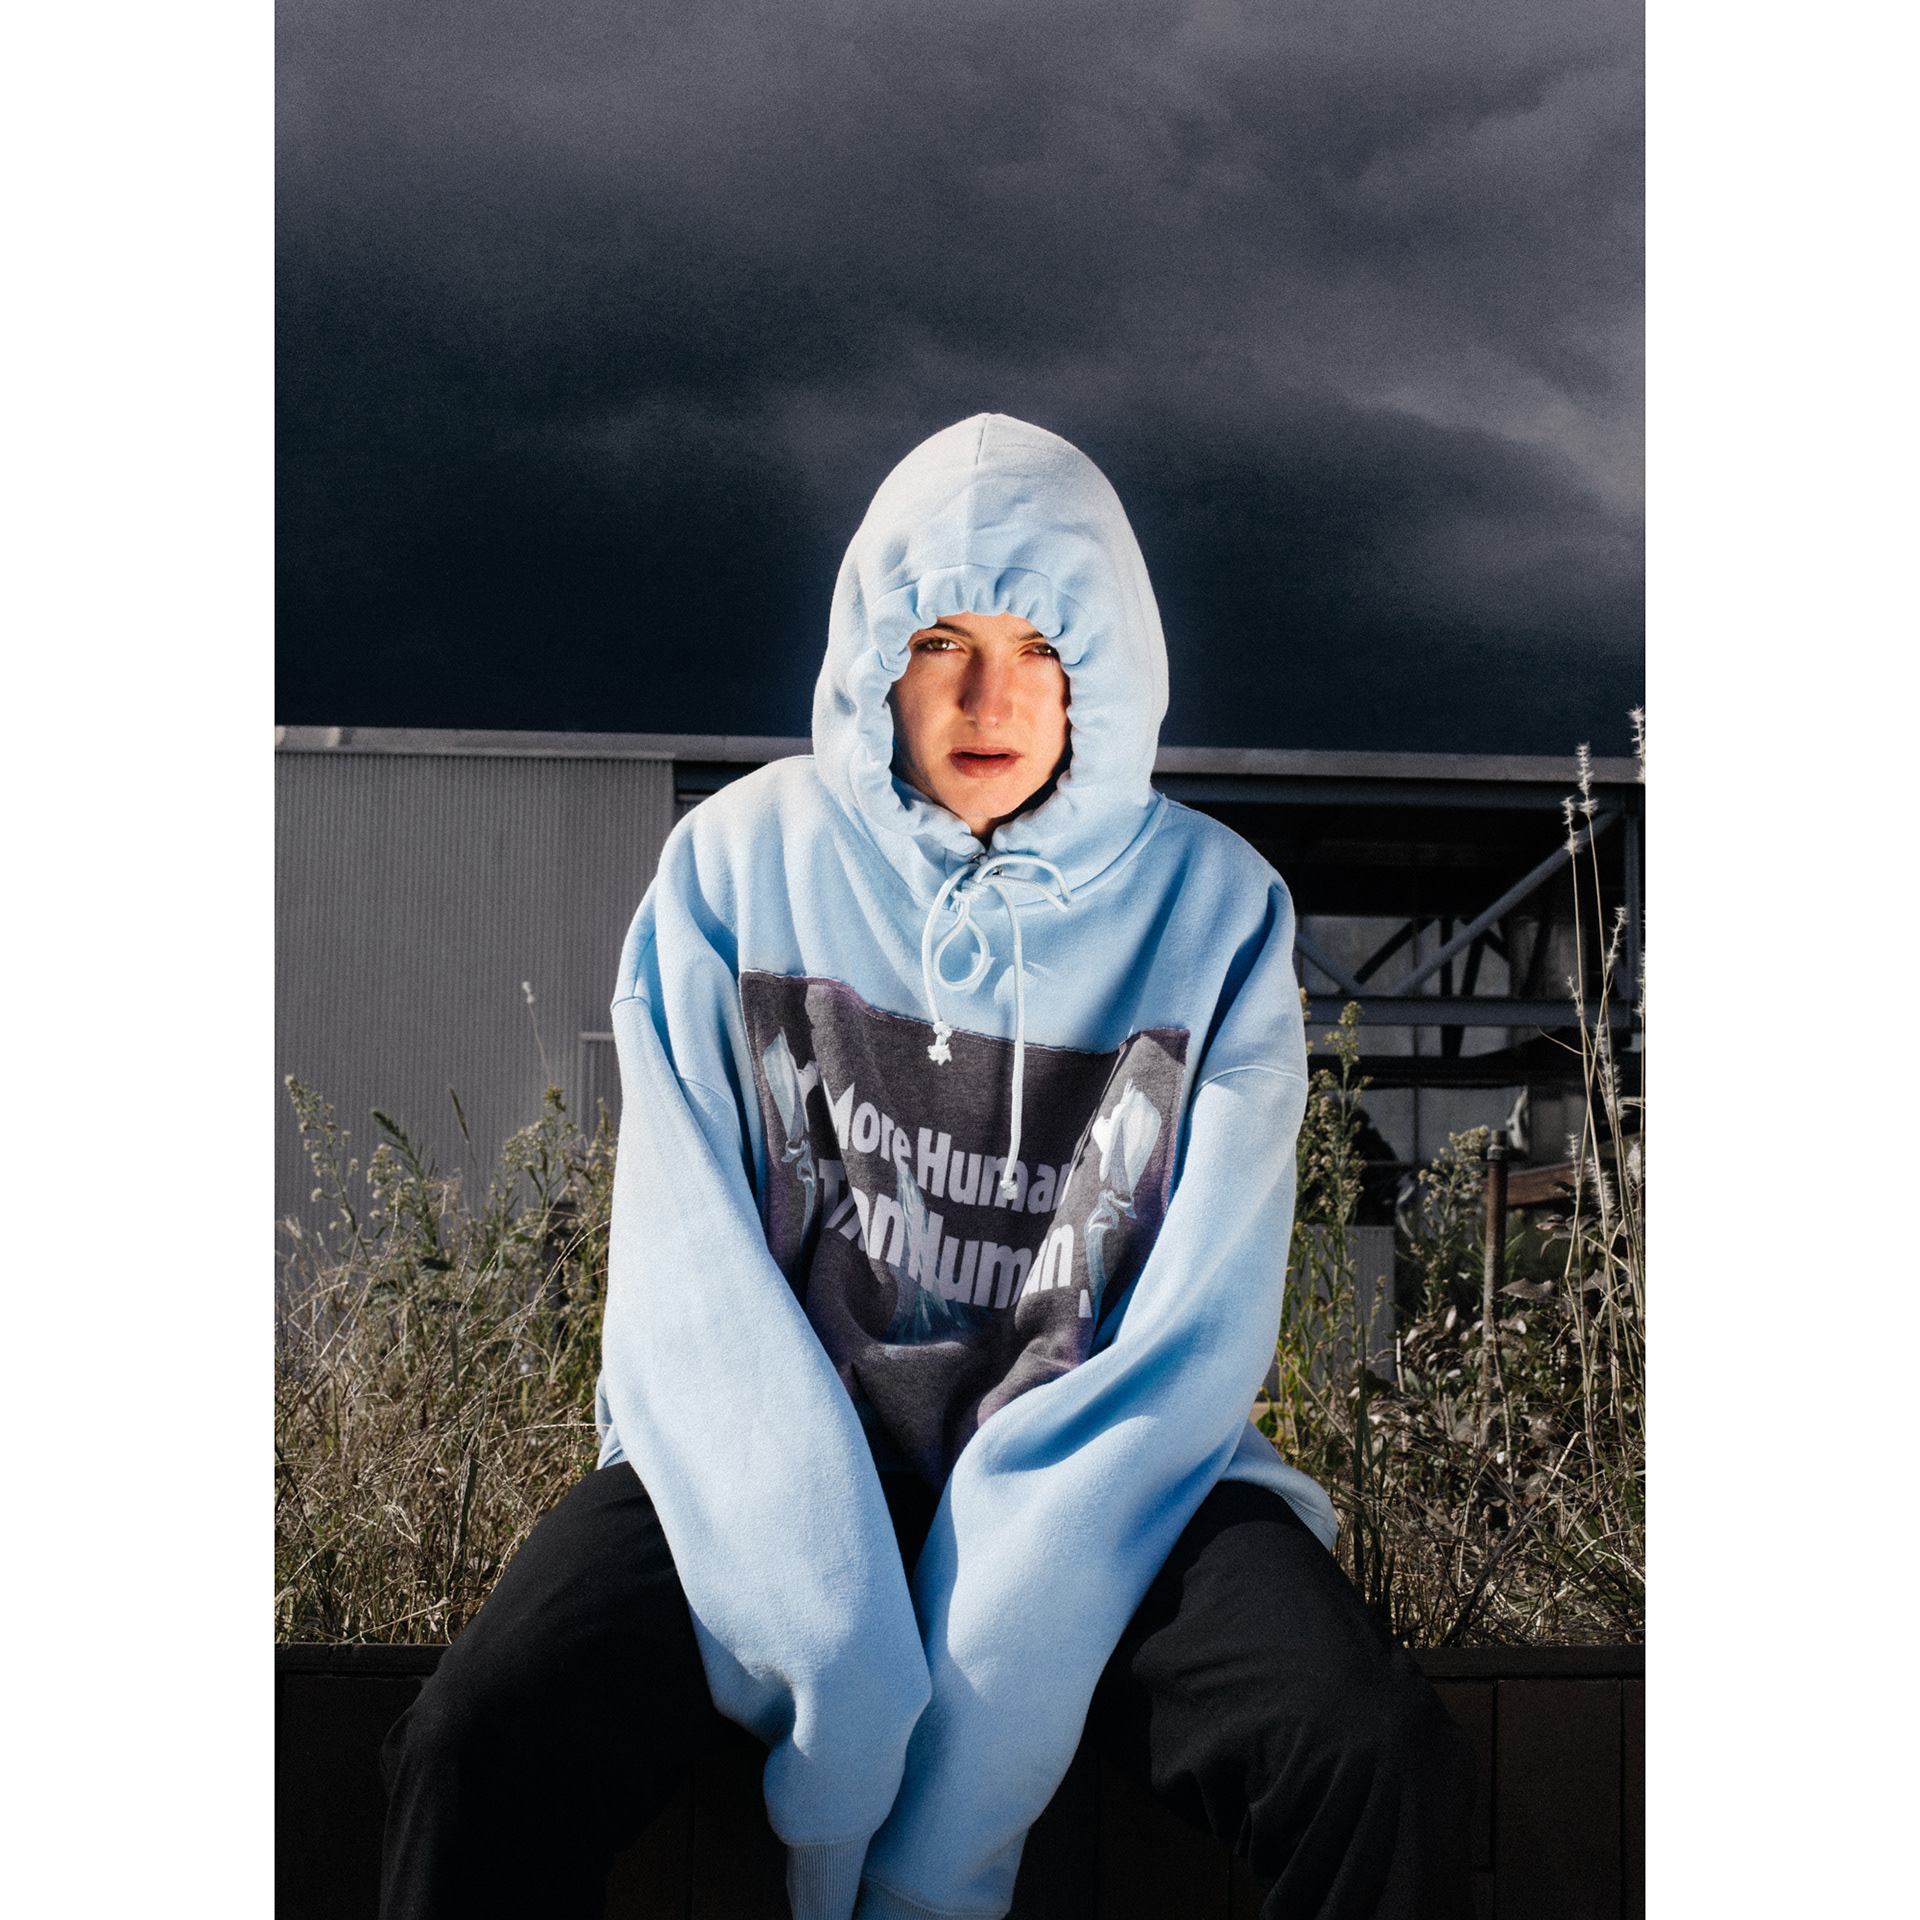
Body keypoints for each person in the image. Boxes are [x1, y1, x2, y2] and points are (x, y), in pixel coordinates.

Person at [380, 414, 1474, 1920]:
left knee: (1372, 1753)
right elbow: (692, 1298)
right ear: (869, 662)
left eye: (1038, 647)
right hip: (761, 1460)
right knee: (477, 1739)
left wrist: (987, 1675)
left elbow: (1189, 1340)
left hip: (1112, 1480)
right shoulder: (734, 869)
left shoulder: (1217, 916)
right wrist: (829, 1627)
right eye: (940, 641)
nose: (985, 697)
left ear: (1104, 671)